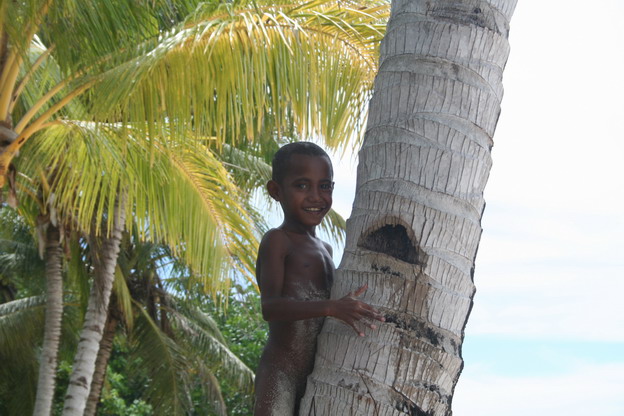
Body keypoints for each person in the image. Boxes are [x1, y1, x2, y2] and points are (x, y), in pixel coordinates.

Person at [253, 142, 385, 415]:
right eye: (302, 186)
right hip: (281, 373)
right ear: (275, 191)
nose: (316, 196)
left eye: (325, 186)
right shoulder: (278, 240)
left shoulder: (326, 249)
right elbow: (271, 307)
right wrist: (332, 307)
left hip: (320, 374)